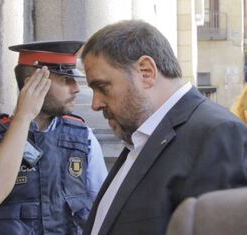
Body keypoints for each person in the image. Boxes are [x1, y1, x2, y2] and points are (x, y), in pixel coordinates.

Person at [80, 20, 247, 235]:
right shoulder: (141, 137)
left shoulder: (219, 134)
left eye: (102, 87)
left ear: (146, 71)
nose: (95, 104)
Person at [0, 41, 108, 235]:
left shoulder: (83, 136)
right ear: (34, 83)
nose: (76, 88)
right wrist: (24, 117)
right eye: (66, 79)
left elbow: (104, 207)